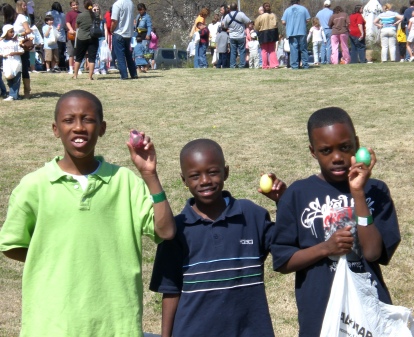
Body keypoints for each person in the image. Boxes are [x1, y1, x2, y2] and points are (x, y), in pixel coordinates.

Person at [0, 89, 176, 336]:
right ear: (55, 129)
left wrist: (149, 176)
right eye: (69, 120)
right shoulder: (34, 186)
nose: (79, 127)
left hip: (115, 322)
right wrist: (58, 260)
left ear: (102, 128)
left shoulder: (125, 182)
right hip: (51, 323)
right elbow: (11, 244)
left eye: (88, 119)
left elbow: (166, 231)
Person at [271, 107, 401, 337]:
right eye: (326, 150)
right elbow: (283, 261)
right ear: (313, 152)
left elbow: (372, 253)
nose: (338, 157)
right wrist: (326, 248)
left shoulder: (376, 191)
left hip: (367, 310)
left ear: (356, 143)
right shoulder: (298, 193)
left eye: (345, 147)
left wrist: (358, 193)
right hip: (320, 312)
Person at [150, 138, 286, 337]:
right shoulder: (177, 229)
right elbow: (170, 291)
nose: (205, 180)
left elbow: (286, 247)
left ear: (226, 172)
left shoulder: (251, 215)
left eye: (213, 172)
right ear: (184, 180)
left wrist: (283, 202)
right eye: (195, 175)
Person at [2, 2, 32, 99]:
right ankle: (14, 92)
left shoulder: (21, 17)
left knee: (23, 69)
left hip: (21, 45)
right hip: (10, 47)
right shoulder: (8, 21)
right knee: (12, 69)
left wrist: (18, 35)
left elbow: (28, 30)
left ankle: (27, 90)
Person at [72, 0, 101, 80]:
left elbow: (76, 26)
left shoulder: (80, 15)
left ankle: (75, 75)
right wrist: (95, 12)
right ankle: (90, 76)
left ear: (84, 6)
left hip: (82, 37)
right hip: (93, 38)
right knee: (92, 58)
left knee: (78, 58)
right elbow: (99, 21)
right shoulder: (95, 15)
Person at [111, 0, 138, 79]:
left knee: (120, 56)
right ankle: (134, 73)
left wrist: (111, 30)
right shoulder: (130, 3)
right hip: (128, 33)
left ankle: (124, 75)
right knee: (128, 55)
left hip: (119, 32)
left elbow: (114, 20)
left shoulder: (117, 4)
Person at [282, 0, 311, 69]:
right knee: (303, 49)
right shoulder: (304, 9)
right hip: (302, 31)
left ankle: (294, 66)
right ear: (298, 1)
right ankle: (305, 65)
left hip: (291, 32)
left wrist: (289, 24)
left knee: (293, 50)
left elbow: (283, 21)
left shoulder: (287, 10)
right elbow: (308, 20)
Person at [222, 2, 251, 68]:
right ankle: (242, 65)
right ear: (237, 7)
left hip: (232, 36)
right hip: (241, 35)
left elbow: (224, 25)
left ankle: (232, 65)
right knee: (242, 51)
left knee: (233, 51)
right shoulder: (241, 14)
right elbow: (248, 21)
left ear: (230, 9)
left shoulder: (227, 16)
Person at [0, 24, 23, 101]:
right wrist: (3, 55)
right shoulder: (2, 42)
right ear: (6, 32)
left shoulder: (16, 41)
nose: (12, 33)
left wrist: (14, 53)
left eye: (13, 32)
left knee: (16, 78)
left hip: (16, 62)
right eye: (11, 32)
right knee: (9, 78)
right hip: (7, 63)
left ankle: (12, 95)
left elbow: (21, 51)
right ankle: (15, 95)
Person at [254, 2, 279, 69]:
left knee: (264, 50)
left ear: (263, 9)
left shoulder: (260, 17)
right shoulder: (273, 15)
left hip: (263, 33)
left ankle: (265, 65)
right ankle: (274, 64)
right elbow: (276, 23)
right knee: (272, 49)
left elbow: (256, 26)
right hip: (272, 32)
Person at [46, 2, 66, 70]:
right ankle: (60, 65)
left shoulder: (49, 13)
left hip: (51, 34)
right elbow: (64, 24)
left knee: (51, 52)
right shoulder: (63, 15)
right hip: (61, 35)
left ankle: (51, 66)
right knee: (60, 52)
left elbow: (46, 21)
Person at [65, 0, 82, 74]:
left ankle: (78, 68)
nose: (75, 6)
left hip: (80, 35)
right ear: (71, 6)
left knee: (78, 52)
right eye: (74, 5)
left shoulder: (81, 14)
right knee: (71, 53)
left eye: (76, 5)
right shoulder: (69, 14)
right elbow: (67, 22)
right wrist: (71, 29)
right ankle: (71, 68)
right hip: (71, 35)